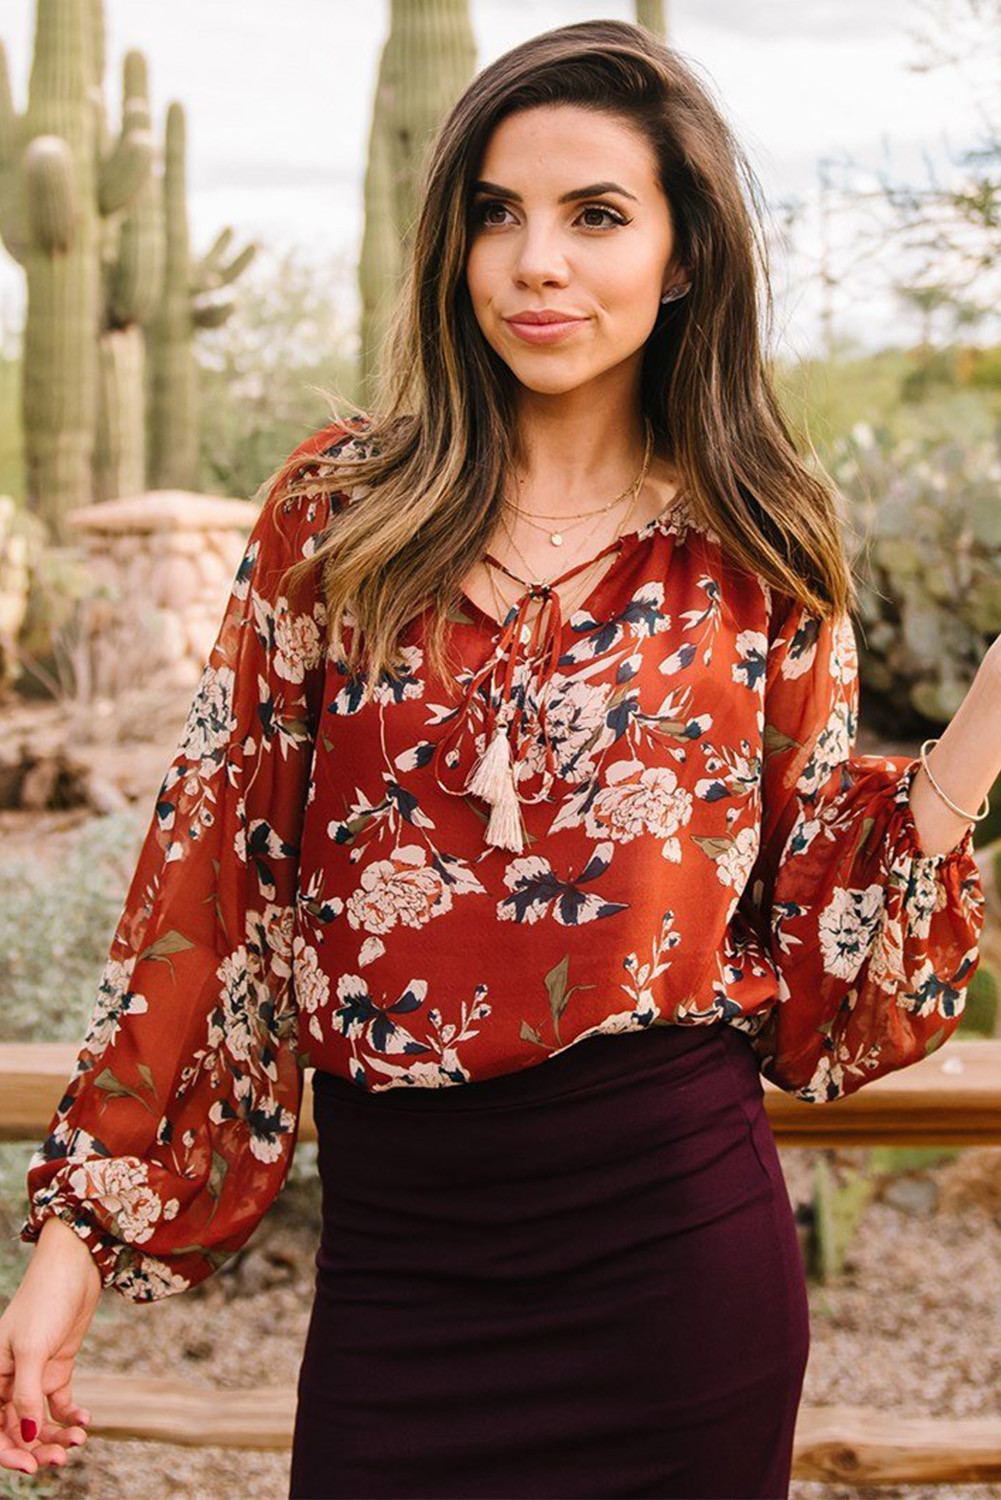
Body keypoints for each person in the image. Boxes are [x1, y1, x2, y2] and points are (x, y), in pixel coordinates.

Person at [0, 17, 992, 1497]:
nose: (536, 260)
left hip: (675, 1266)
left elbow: (812, 973)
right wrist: (69, 1255)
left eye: (596, 215)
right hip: (406, 1269)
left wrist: (975, 736)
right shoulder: (334, 520)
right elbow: (207, 884)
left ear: (683, 257)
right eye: (494, 213)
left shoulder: (758, 551)